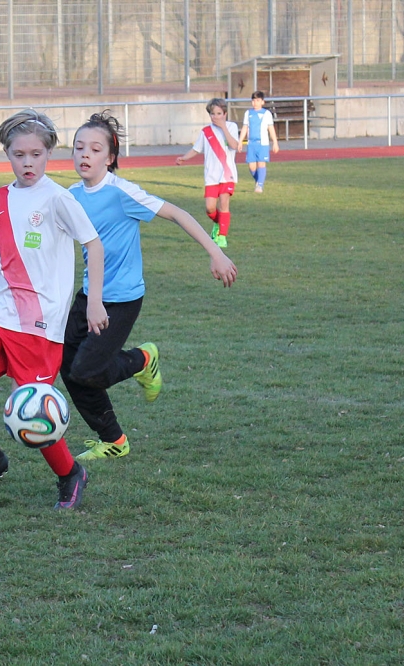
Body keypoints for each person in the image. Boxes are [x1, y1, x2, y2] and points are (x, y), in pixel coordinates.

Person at [0, 110, 107, 510]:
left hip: (39, 321)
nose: (28, 163)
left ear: (48, 153)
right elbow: (17, 237)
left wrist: (94, 301)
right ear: (7, 153)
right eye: (19, 155)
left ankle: (70, 473)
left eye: (36, 154)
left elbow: (93, 245)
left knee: (32, 407)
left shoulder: (58, 198)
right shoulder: (3, 196)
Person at [64, 111, 238, 461]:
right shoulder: (70, 195)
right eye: (79, 147)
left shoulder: (122, 192)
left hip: (122, 299)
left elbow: (177, 213)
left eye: (95, 149)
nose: (85, 154)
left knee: (86, 370)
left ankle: (142, 359)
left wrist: (216, 253)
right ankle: (113, 440)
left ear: (110, 157)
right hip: (89, 295)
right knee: (68, 369)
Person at [176, 98, 240, 248]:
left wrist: (223, 128)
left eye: (219, 113)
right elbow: (196, 149)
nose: (216, 117)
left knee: (224, 203)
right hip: (211, 176)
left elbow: (234, 145)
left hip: (227, 175)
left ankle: (222, 237)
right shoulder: (206, 132)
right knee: (210, 208)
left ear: (225, 114)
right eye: (213, 114)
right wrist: (184, 158)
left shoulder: (231, 127)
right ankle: (218, 223)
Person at [237, 90, 279, 194]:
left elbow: (271, 128)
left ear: (262, 102)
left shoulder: (267, 114)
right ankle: (259, 180)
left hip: (263, 143)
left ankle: (260, 185)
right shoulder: (248, 113)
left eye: (258, 100)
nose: (255, 103)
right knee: (251, 166)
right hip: (251, 143)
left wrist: (275, 142)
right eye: (253, 100)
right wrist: (240, 141)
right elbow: (245, 127)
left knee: (261, 163)